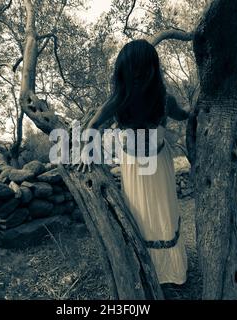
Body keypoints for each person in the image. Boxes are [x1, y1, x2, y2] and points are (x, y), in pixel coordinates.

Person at [79, 39, 190, 287]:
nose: (140, 75)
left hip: (159, 165)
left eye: (144, 69)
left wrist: (198, 112)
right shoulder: (119, 100)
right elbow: (93, 126)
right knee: (139, 215)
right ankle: (145, 267)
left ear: (153, 68)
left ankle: (169, 274)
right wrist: (88, 151)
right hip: (133, 168)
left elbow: (183, 115)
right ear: (126, 71)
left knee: (163, 213)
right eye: (135, 70)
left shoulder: (164, 99)